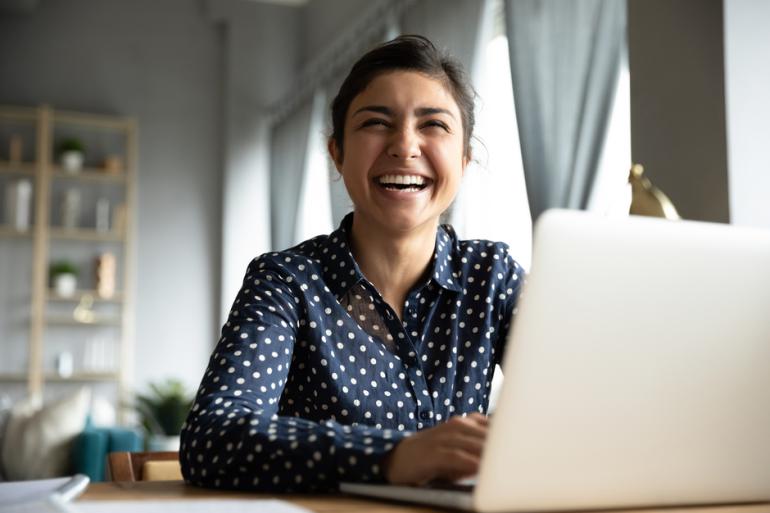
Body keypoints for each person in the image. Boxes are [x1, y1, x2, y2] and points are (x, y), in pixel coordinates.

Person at [180, 34, 525, 492]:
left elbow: (577, 404)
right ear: (337, 153)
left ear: (463, 160)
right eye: (376, 123)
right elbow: (213, 438)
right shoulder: (286, 281)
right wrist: (391, 456)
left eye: (434, 125)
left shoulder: (493, 276)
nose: (405, 146)